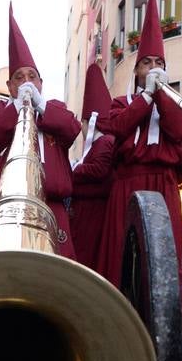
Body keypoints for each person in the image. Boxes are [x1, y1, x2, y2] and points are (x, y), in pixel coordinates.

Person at [98, 0, 182, 286]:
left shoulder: (175, 103)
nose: (153, 69)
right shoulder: (122, 102)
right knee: (122, 257)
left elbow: (177, 130)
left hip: (163, 184)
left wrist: (162, 96)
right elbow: (119, 127)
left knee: (162, 260)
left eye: (159, 64)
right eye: (147, 64)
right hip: (127, 183)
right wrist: (147, 96)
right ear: (136, 70)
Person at [0, 4, 81, 259]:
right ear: (10, 86)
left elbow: (72, 129)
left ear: (41, 83)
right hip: (9, 212)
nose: (26, 82)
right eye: (19, 77)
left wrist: (39, 105)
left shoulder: (54, 109)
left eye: (32, 76)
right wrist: (17, 106)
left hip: (54, 209)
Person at [70, 63, 116, 279]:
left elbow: (99, 170)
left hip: (94, 212)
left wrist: (74, 170)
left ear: (91, 122)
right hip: (85, 211)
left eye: (84, 122)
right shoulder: (98, 144)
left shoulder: (105, 142)